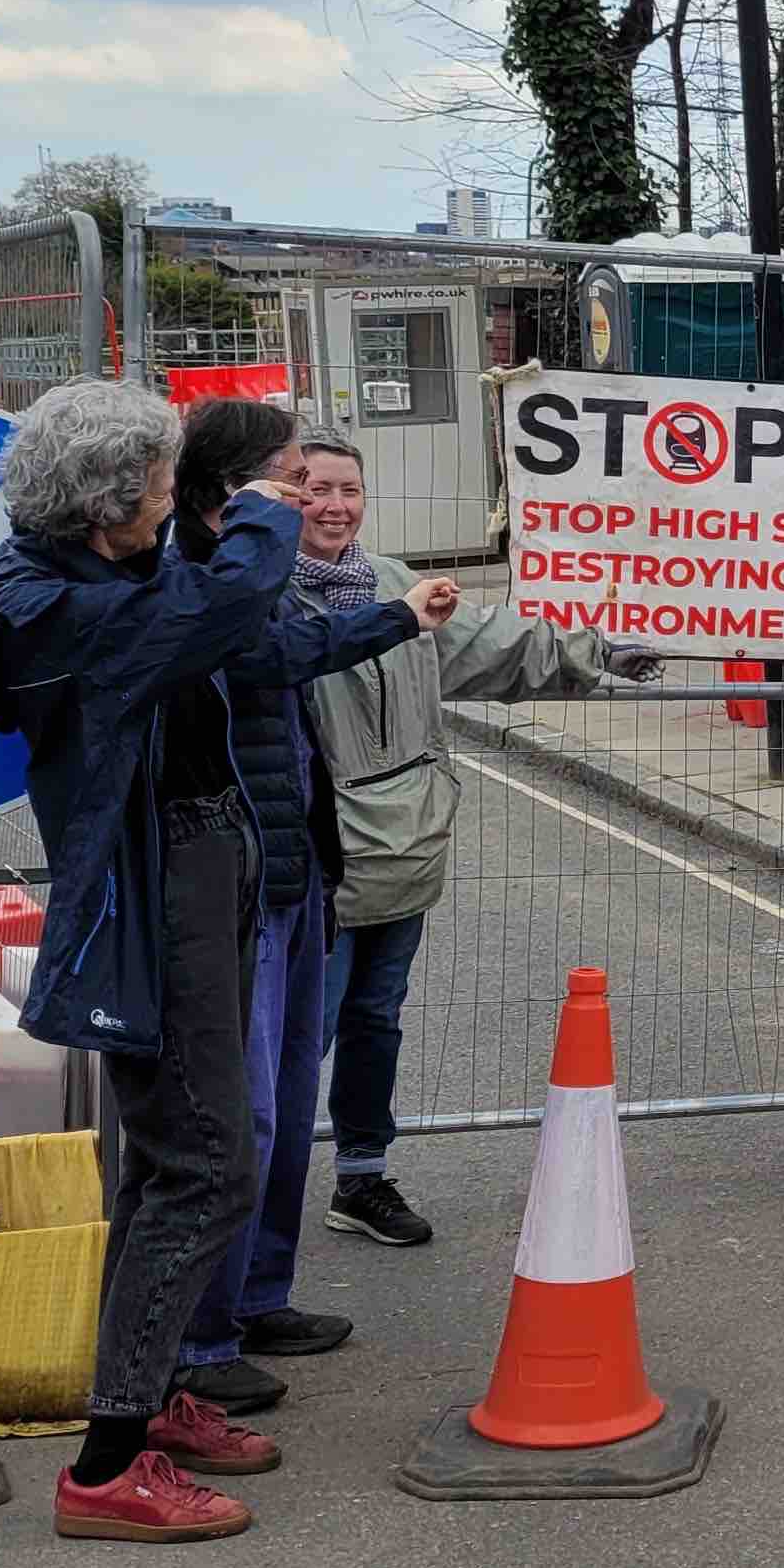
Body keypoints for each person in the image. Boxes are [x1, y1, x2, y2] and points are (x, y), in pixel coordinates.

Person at [0, 382, 445, 1543]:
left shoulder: (112, 578)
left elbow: (256, 647)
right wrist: (264, 514)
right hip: (153, 898)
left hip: (203, 873)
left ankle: (149, 1391)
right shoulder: (44, 604)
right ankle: (105, 1464)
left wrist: (390, 617)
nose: (179, 506)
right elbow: (224, 617)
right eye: (167, 488)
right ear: (112, 500)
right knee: (210, 1161)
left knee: (174, 1162)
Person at [287, 429, 665, 1250]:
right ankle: (261, 1209)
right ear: (283, 494)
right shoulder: (262, 600)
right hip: (315, 862)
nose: (335, 506)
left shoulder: (394, 585)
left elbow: (488, 643)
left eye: (349, 490)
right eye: (315, 488)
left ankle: (360, 1176)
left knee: (375, 1020)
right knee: (294, 1039)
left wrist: (592, 652)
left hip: (406, 847)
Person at [157, 400, 459, 1417]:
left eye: (327, 482)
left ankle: (257, 1295)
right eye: (292, 478)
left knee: (284, 1107)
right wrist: (394, 618)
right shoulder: (201, 572)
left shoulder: (257, 570)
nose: (310, 496)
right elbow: (263, 655)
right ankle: (196, 1338)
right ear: (236, 489)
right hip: (225, 887)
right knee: (234, 1114)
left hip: (294, 873)